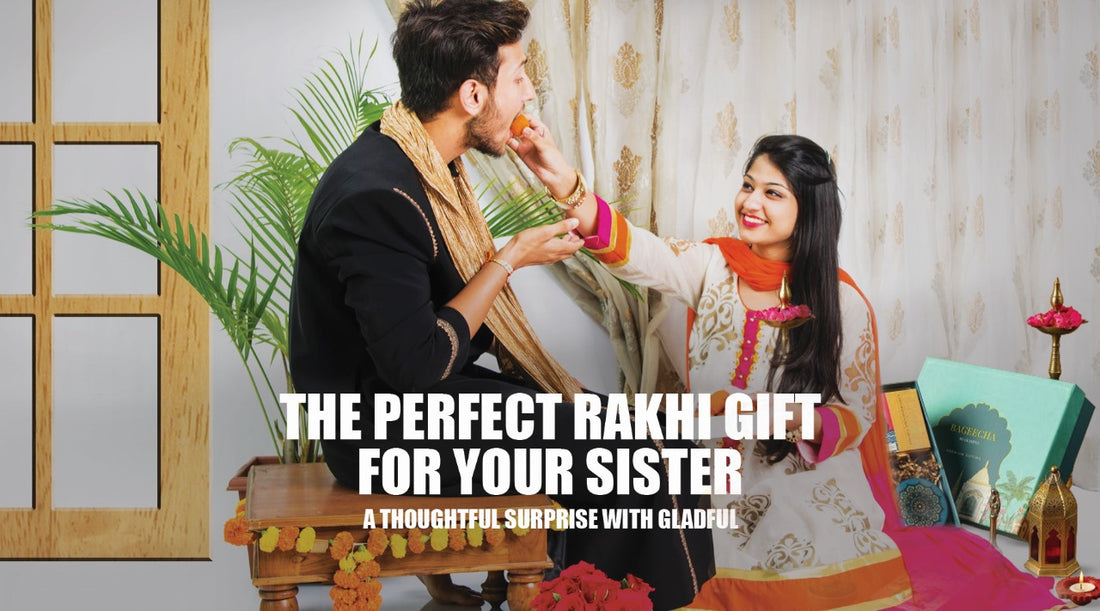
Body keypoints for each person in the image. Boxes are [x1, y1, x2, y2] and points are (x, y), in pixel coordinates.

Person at [516, 133, 1063, 609]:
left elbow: (856, 416)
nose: (750, 202)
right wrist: (565, 181)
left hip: (798, 476)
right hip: (706, 464)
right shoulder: (712, 265)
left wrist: (777, 416)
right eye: (748, 185)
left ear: (809, 208)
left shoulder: (842, 303)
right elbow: (637, 251)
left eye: (772, 193)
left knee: (798, 553)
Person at [287, 1, 712, 609]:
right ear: (472, 95)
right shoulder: (378, 195)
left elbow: (451, 330)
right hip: (380, 436)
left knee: (645, 437)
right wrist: (508, 259)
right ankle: (614, 601)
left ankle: (627, 598)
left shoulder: (418, 161)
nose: (528, 91)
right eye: (517, 76)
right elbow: (417, 367)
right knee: (626, 457)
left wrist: (553, 189)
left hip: (422, 406)